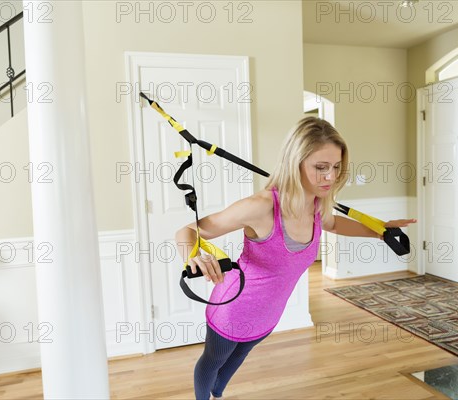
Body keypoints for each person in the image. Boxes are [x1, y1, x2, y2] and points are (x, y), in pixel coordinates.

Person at [175, 117, 416, 400]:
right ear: (295, 163)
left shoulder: (316, 203)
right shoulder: (261, 207)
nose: (330, 177)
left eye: (336, 167)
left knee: (239, 356)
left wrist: (380, 231)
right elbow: (186, 231)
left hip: (269, 312)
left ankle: (218, 394)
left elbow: (335, 224)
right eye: (320, 168)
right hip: (234, 307)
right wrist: (195, 257)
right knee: (214, 361)